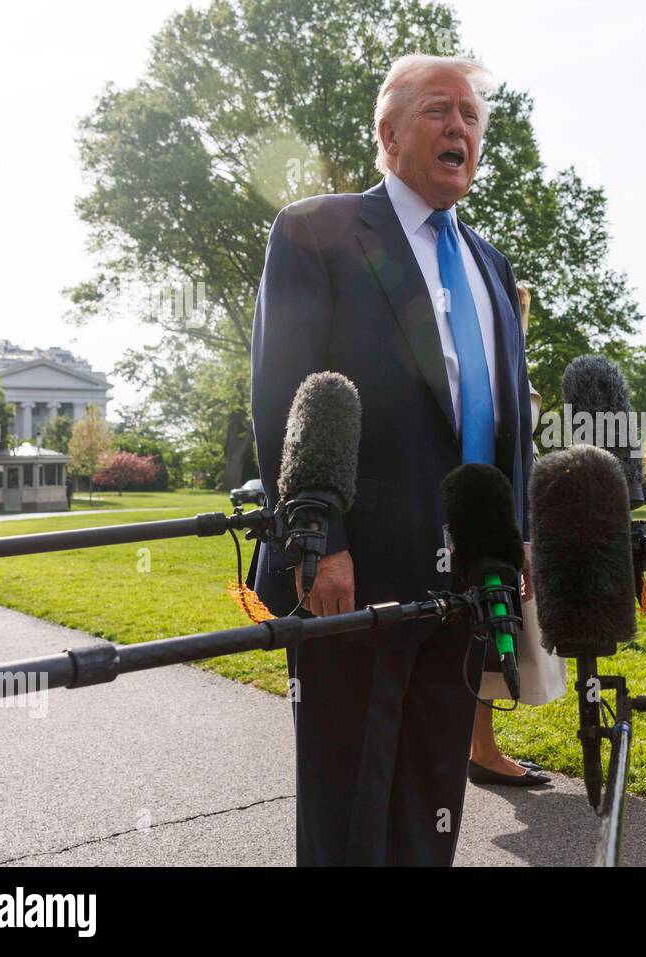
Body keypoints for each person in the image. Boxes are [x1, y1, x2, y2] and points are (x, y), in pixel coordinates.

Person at [249, 53, 533, 865]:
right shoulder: (317, 232)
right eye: (441, 110)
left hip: (468, 584)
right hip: (353, 571)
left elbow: (507, 419)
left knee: (430, 793)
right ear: (388, 132)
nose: (462, 129)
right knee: (348, 803)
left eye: (473, 117)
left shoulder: (490, 265)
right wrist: (320, 538)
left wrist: (511, 540)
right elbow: (284, 395)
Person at [468, 282, 565, 787]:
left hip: (506, 505)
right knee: (478, 625)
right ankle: (477, 749)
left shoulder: (509, 362)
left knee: (493, 627)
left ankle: (480, 746)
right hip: (474, 505)